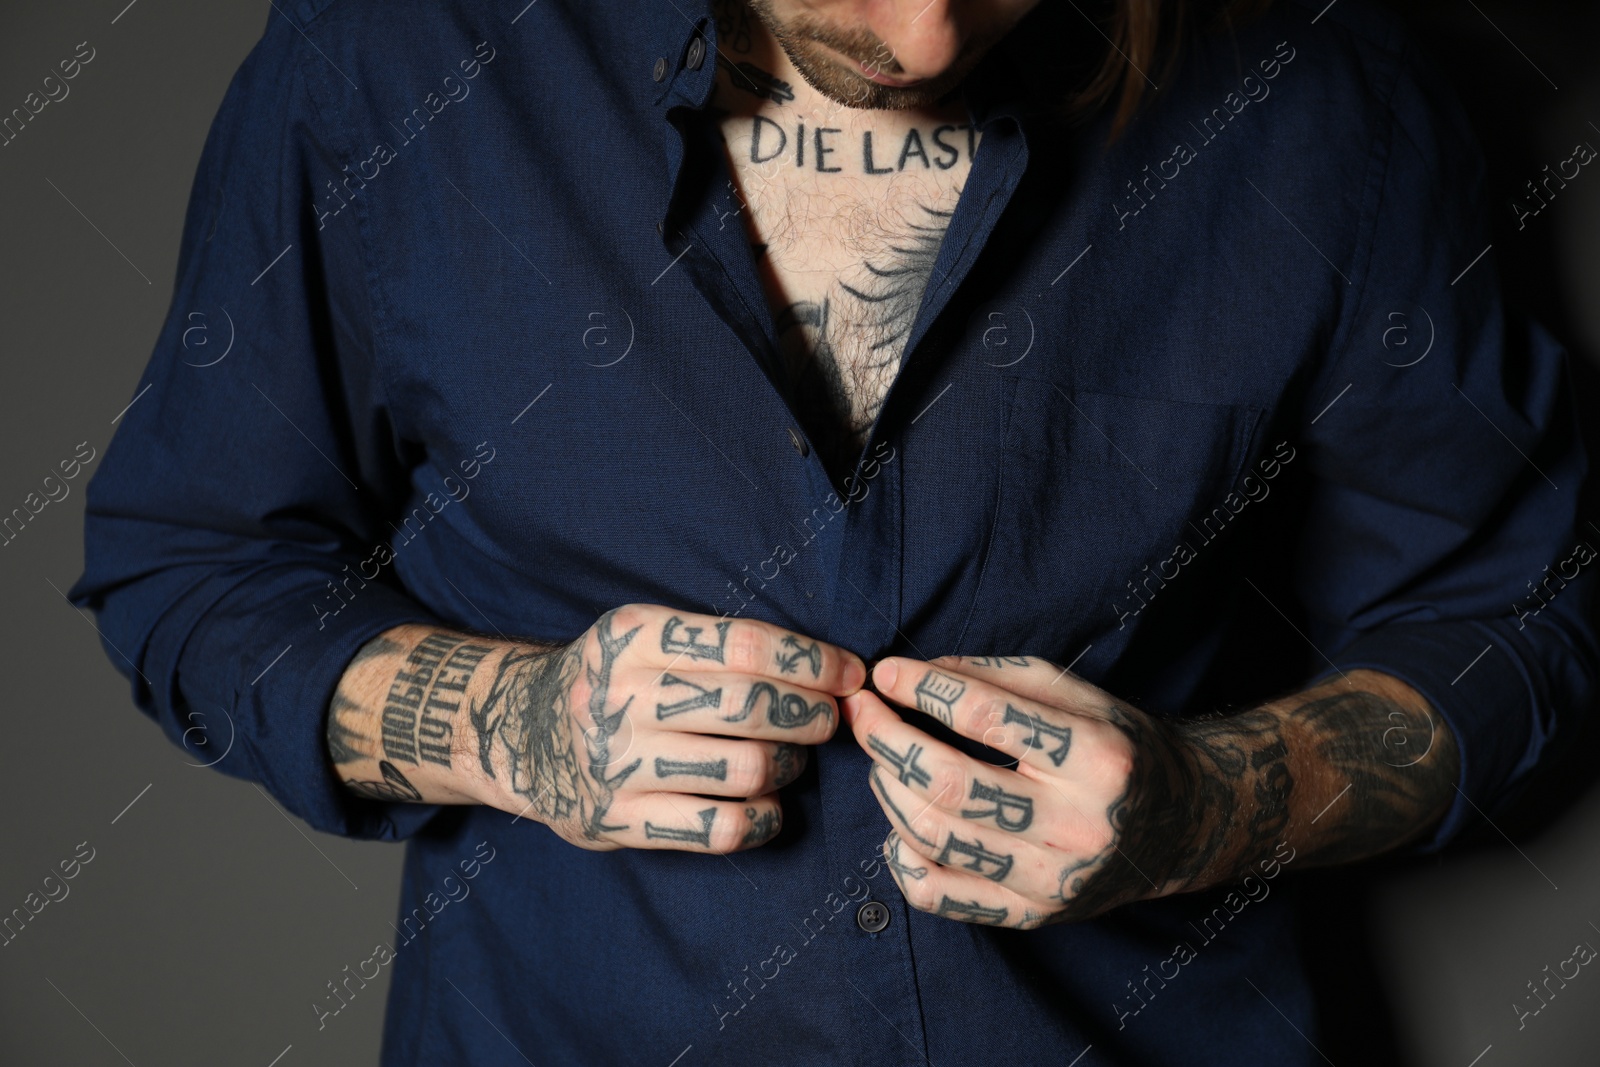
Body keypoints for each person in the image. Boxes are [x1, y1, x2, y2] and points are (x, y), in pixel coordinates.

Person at [72, 0, 1595, 1062]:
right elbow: (193, 566)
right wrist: (513, 721)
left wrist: (1215, 804)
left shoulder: (1329, 98)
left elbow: (1532, 610)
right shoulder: (385, 56)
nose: (927, 32)